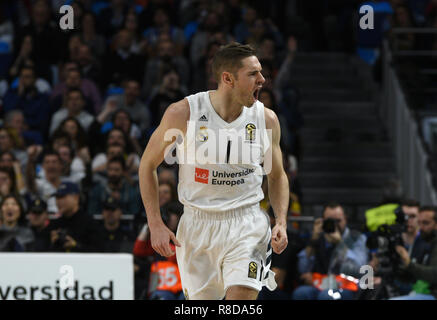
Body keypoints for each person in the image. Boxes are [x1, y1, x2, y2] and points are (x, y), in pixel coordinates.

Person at [138, 42, 289, 300]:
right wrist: (156, 224)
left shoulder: (266, 120)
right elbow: (147, 166)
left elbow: (277, 176)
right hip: (198, 225)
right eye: (253, 74)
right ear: (228, 78)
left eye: (261, 72)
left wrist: (282, 220)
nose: (262, 80)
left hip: (247, 223)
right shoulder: (183, 113)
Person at [292, 202, 368, 300]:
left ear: (345, 219)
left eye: (338, 221)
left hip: (346, 286)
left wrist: (340, 243)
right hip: (321, 285)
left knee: (327, 295)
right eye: (330, 221)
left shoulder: (357, 238)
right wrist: (313, 240)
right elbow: (302, 269)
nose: (334, 225)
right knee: (300, 293)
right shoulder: (319, 239)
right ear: (322, 220)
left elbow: (360, 267)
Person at [390, 206, 437, 300]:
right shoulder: (426, 242)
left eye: (426, 223)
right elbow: (412, 277)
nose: (421, 228)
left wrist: (409, 263)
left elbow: (434, 275)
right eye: (419, 223)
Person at [47, 182, 103, 252]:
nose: (58, 201)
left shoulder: (90, 223)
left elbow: (98, 251)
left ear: (76, 198)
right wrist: (53, 244)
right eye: (57, 198)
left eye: (62, 197)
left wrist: (75, 245)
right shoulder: (55, 224)